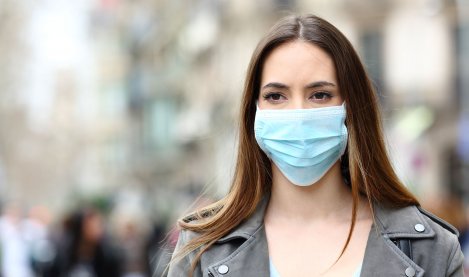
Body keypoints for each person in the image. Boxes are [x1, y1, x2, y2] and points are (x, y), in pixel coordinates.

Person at [163, 14, 464, 277]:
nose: (298, 114)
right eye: (276, 96)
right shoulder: (201, 251)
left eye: (319, 95)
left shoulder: (432, 248)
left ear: (352, 107)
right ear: (253, 112)